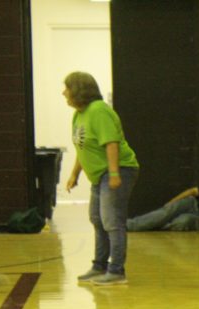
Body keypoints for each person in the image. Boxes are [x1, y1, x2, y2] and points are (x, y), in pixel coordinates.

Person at [63, 71, 139, 286]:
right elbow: (83, 146)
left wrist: (114, 174)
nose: (64, 93)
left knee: (112, 221)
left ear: (78, 90)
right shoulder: (79, 114)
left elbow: (111, 143)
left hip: (119, 169)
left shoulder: (99, 111)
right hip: (101, 175)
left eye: (67, 88)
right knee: (97, 219)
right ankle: (99, 266)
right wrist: (74, 174)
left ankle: (116, 270)